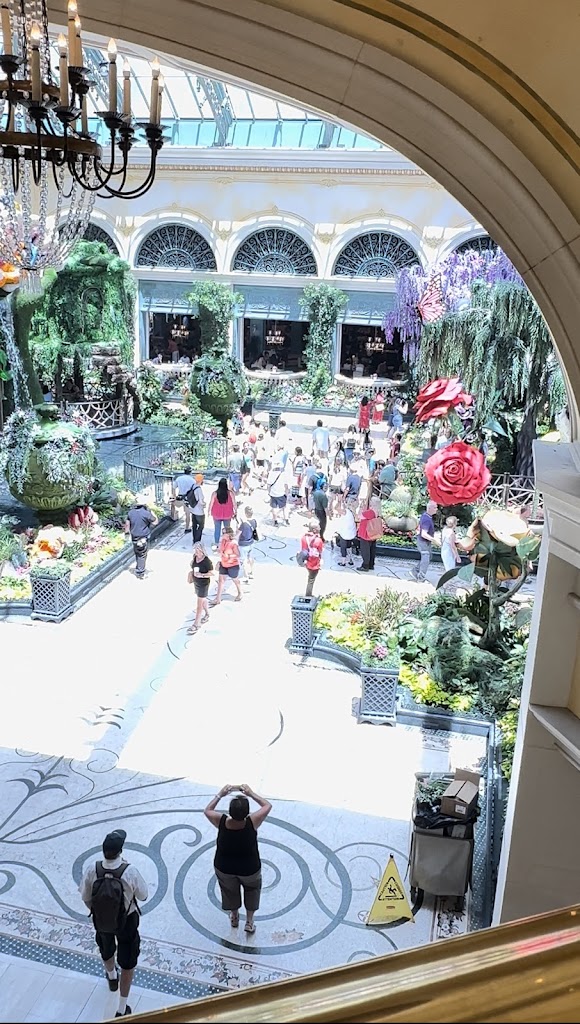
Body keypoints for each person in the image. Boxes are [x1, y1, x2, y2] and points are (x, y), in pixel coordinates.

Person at [79, 829, 148, 1018]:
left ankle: (111, 977)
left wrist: (98, 911)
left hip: (101, 919)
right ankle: (122, 1008)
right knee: (128, 961)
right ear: (120, 851)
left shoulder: (92, 869)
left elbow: (85, 897)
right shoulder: (129, 871)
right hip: (127, 921)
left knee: (106, 947)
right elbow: (143, 895)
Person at [205, 783, 272, 935]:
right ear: (247, 812)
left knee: (229, 891)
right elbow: (267, 805)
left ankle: (234, 917)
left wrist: (220, 795)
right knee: (252, 890)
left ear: (230, 811)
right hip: (250, 868)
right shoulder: (252, 822)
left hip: (224, 867)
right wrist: (251, 793)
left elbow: (207, 810)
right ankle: (249, 922)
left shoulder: (221, 821)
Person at [125, 497, 158, 579]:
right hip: (143, 537)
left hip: (134, 537)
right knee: (142, 554)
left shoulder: (130, 513)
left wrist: (127, 535)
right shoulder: (146, 513)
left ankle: (138, 567)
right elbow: (155, 522)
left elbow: (127, 525)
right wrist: (153, 514)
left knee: (137, 553)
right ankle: (140, 572)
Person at [187, 542, 213, 634]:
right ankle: (207, 614)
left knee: (199, 604)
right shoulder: (195, 557)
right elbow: (192, 566)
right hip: (196, 583)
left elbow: (211, 573)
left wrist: (201, 575)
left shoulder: (206, 561)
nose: (196, 551)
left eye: (198, 550)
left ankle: (196, 623)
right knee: (203, 600)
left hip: (203, 584)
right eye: (195, 550)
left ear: (202, 550)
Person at [412, 500, 439, 581]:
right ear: (430, 508)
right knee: (426, 558)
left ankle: (415, 571)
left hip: (425, 541)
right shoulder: (426, 519)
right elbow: (424, 534)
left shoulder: (426, 516)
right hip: (423, 541)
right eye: (435, 507)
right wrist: (434, 540)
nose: (436, 509)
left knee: (429, 556)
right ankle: (421, 577)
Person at [208, 477, 236, 549]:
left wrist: (209, 511)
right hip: (227, 514)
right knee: (227, 529)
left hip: (216, 514)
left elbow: (211, 503)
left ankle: (217, 544)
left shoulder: (215, 493)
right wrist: (235, 511)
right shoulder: (230, 493)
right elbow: (234, 503)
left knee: (217, 529)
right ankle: (227, 544)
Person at [357, 497, 383, 572]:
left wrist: (361, 507)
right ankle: (371, 564)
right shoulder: (378, 512)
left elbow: (359, 516)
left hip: (366, 533)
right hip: (373, 534)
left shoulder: (370, 512)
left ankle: (365, 565)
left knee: (365, 550)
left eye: (371, 500)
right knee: (372, 549)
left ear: (373, 503)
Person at [300, 519, 323, 596]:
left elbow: (303, 549)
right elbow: (320, 551)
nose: (320, 528)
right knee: (311, 579)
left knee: (310, 575)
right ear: (314, 530)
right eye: (318, 527)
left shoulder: (304, 537)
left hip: (307, 561)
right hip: (314, 563)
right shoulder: (318, 540)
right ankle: (308, 594)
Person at [173, 465, 195, 533]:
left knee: (172, 504)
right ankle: (187, 528)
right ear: (190, 472)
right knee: (188, 514)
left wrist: (174, 496)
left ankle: (173, 517)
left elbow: (173, 488)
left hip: (180, 497)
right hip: (188, 498)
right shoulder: (192, 480)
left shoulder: (179, 478)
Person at [267, 458, 289, 526]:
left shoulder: (271, 474)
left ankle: (275, 521)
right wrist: (287, 492)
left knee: (274, 508)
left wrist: (269, 492)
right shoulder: (283, 474)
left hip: (273, 493)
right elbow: (286, 485)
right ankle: (286, 520)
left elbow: (268, 485)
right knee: (284, 507)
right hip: (281, 493)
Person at [238, 506, 258, 581]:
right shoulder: (254, 521)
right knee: (250, 558)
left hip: (243, 544)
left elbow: (238, 534)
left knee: (243, 560)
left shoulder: (244, 524)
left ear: (245, 513)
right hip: (251, 542)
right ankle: (252, 572)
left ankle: (246, 575)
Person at [187, 473, 206, 544]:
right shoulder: (199, 489)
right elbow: (201, 502)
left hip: (192, 509)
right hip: (199, 511)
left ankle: (194, 539)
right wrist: (204, 504)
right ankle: (197, 541)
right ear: (201, 480)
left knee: (194, 526)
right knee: (201, 526)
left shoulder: (193, 486)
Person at [311, 475, 328, 541]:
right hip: (321, 512)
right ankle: (321, 537)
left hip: (316, 510)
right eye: (325, 487)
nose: (326, 488)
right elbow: (325, 508)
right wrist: (329, 515)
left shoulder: (315, 492)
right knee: (322, 525)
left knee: (318, 523)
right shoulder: (324, 496)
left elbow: (313, 501)